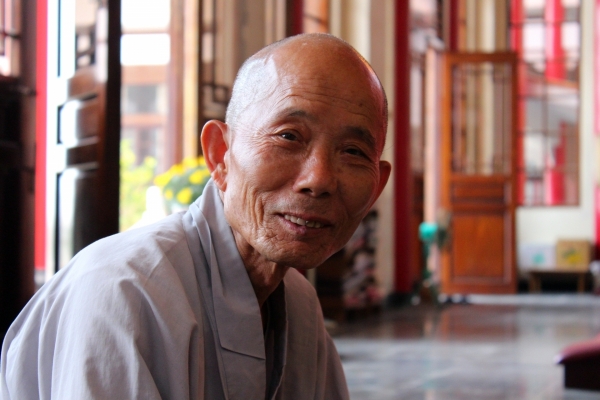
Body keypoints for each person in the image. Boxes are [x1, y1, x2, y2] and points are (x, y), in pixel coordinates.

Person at [1, 33, 391, 399]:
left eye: (354, 152)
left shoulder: (299, 303)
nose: (318, 179)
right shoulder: (123, 291)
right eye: (288, 136)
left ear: (377, 186)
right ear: (220, 154)